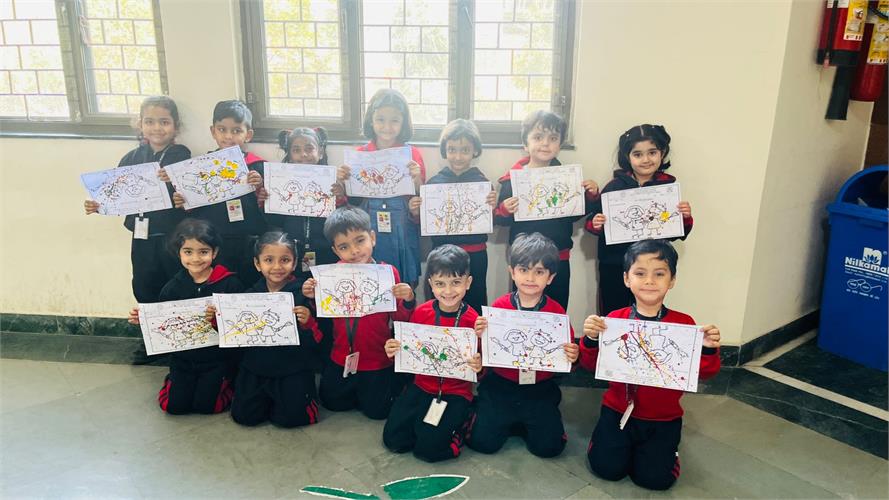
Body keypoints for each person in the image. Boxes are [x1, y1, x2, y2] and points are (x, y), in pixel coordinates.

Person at [578, 239, 720, 490]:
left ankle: (667, 454)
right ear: (626, 279)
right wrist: (590, 339)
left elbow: (705, 373)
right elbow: (590, 365)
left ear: (672, 280)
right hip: (617, 411)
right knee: (606, 469)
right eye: (640, 273)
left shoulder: (684, 325)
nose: (649, 281)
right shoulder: (613, 320)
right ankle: (603, 441)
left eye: (659, 274)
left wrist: (708, 348)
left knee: (655, 480)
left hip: (663, 418)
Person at [84, 95, 191, 363]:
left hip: (173, 236)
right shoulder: (131, 157)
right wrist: (98, 204)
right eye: (150, 121)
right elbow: (116, 194)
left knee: (175, 283)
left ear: (175, 126)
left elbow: (191, 191)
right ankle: (152, 341)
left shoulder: (181, 155)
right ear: (140, 124)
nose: (157, 128)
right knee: (144, 284)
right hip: (142, 236)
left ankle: (179, 340)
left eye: (164, 122)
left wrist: (174, 182)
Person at [467, 232, 579, 458]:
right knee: (482, 443)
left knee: (549, 448)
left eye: (539, 272)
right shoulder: (499, 308)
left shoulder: (556, 313)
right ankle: (499, 414)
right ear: (512, 272)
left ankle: (523, 420)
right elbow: (485, 353)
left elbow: (566, 358)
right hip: (501, 384)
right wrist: (479, 335)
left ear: (550, 277)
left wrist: (573, 356)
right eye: (524, 270)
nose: (530, 278)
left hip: (539, 387)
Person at [302, 206, 416, 419]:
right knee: (332, 403)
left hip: (377, 358)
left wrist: (408, 300)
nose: (354, 251)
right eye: (344, 246)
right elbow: (323, 318)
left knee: (379, 412)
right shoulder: (330, 275)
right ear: (336, 251)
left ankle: (394, 380)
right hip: (341, 356)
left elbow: (400, 318)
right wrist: (312, 297)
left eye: (360, 241)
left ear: (372, 238)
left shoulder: (388, 272)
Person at [127, 218, 244, 414]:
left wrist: (218, 318)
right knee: (173, 407)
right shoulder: (172, 287)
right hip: (183, 360)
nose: (195, 259)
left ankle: (227, 382)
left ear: (214, 252)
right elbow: (163, 323)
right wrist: (146, 320)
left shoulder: (230, 284)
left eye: (203, 252)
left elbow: (239, 326)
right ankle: (172, 381)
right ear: (179, 253)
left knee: (209, 407)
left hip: (217, 360)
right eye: (188, 252)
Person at [382, 244, 482, 462]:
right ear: (431, 284)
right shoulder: (421, 312)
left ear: (468, 283)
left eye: (456, 282)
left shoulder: (474, 321)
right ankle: (427, 424)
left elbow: (482, 366)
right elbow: (409, 349)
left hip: (455, 391)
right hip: (421, 386)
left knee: (429, 450)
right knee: (394, 440)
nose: (448, 291)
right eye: (440, 284)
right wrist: (395, 349)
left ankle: (466, 416)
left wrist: (479, 364)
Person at [494, 110, 599, 310]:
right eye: (538, 137)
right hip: (524, 258)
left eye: (553, 138)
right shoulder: (513, 179)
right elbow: (500, 220)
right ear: (525, 144)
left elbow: (575, 215)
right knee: (522, 309)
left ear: (560, 145)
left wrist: (590, 195)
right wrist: (505, 209)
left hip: (558, 255)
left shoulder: (568, 178)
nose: (545, 143)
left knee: (556, 309)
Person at [585, 124, 693, 314]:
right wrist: (596, 224)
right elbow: (592, 220)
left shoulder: (667, 188)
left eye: (652, 152)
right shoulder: (614, 187)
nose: (646, 159)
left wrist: (684, 217)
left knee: (649, 309)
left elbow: (675, 231)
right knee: (613, 310)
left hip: (653, 264)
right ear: (628, 157)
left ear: (662, 153)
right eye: (638, 154)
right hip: (615, 263)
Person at [225, 231, 324, 428]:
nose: (277, 267)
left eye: (285, 260)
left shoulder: (305, 294)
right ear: (257, 264)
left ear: (294, 263)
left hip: (292, 367)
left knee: (292, 419)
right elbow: (236, 335)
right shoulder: (248, 296)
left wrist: (308, 322)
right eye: (269, 260)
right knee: (244, 417)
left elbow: (319, 339)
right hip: (255, 368)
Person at [337, 89, 425, 286]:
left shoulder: (412, 154)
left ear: (403, 123)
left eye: (394, 120)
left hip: (402, 225)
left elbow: (421, 198)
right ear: (371, 120)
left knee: (404, 282)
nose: (387, 127)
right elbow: (352, 202)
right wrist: (344, 180)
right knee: (369, 280)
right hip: (368, 223)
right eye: (380, 119)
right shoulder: (359, 154)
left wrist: (417, 178)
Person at [172, 100, 266, 285]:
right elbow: (192, 208)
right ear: (213, 131)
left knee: (249, 283)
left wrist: (260, 187)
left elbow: (267, 205)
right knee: (218, 284)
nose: (228, 136)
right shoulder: (200, 167)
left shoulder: (257, 166)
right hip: (213, 239)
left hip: (247, 239)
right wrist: (183, 201)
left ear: (248, 134)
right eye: (222, 129)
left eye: (236, 130)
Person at [413, 119, 495, 312]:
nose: (458, 156)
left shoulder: (482, 184)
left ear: (474, 151)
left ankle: (474, 333)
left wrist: (493, 206)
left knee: (474, 300)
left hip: (475, 254)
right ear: (444, 150)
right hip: (441, 253)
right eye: (452, 150)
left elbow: (491, 219)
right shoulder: (433, 184)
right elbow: (424, 222)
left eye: (465, 150)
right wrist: (416, 211)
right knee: (440, 301)